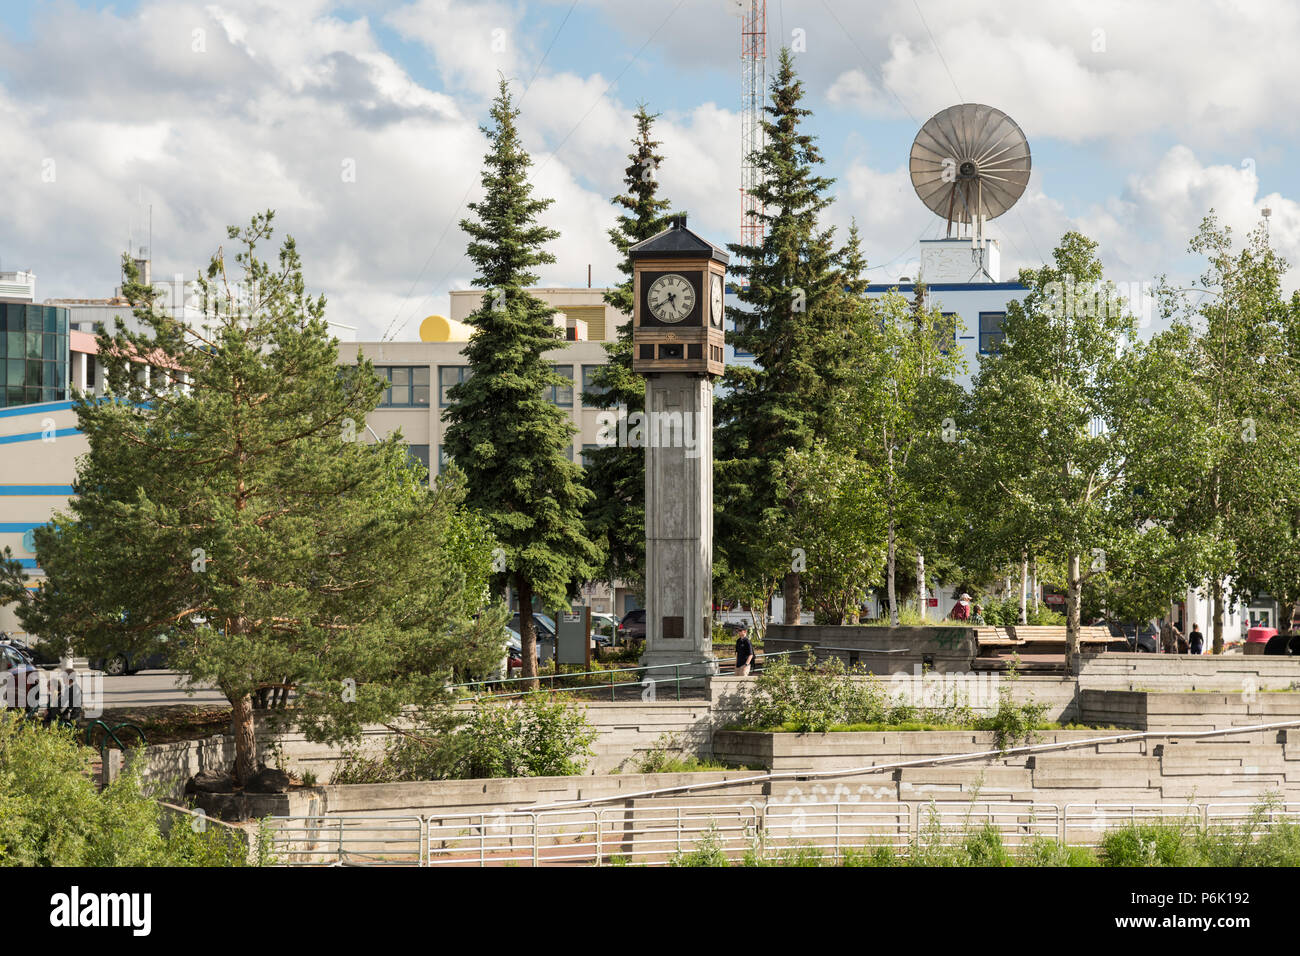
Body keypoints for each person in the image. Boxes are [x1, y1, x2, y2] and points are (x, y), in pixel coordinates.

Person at [44, 660, 83, 728]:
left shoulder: (74, 689)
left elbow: (65, 704)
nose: (62, 678)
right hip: (69, 714)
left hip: (72, 717)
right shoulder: (71, 688)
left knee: (51, 714)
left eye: (64, 677)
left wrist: (50, 710)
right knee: (51, 711)